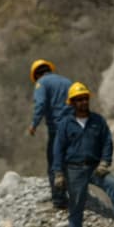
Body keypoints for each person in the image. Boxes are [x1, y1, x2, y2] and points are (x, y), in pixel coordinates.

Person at [51, 82, 114, 227]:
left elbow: (107, 142)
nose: (83, 102)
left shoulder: (98, 121)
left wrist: (105, 162)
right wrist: (58, 172)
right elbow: (58, 149)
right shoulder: (65, 124)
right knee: (76, 206)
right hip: (74, 170)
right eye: (79, 99)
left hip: (96, 168)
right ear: (72, 103)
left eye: (85, 98)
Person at [28, 59, 71, 209]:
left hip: (57, 129)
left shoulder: (41, 83)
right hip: (73, 127)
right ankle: (74, 194)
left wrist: (34, 124)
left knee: (55, 164)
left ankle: (59, 200)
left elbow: (40, 104)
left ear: (36, 75)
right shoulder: (66, 81)